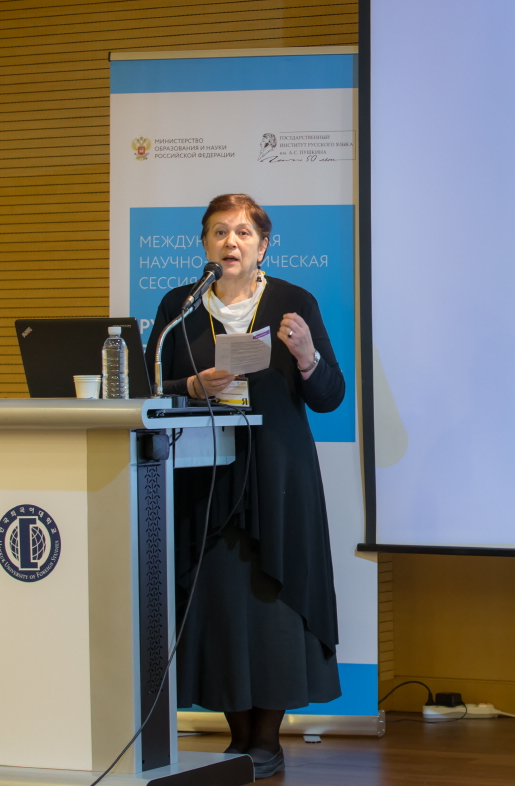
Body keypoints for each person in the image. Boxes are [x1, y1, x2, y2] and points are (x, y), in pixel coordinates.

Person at [144, 193, 344, 778]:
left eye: (243, 233)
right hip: (206, 477)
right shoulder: (180, 306)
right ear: (204, 243)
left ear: (263, 245)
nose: (230, 241)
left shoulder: (292, 302)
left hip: (279, 476)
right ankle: (238, 739)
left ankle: (267, 740)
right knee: (220, 604)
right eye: (219, 232)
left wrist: (306, 356)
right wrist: (191, 386)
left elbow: (330, 397)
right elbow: (149, 387)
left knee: (273, 603)